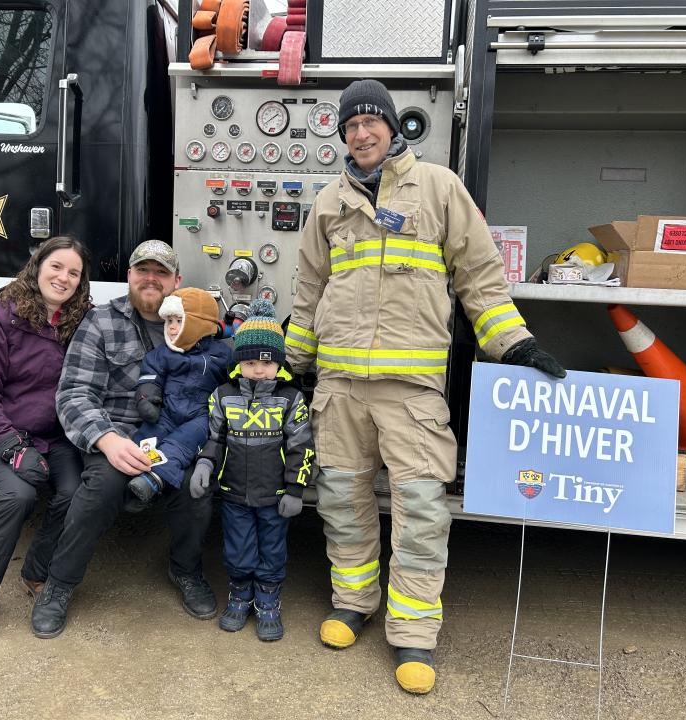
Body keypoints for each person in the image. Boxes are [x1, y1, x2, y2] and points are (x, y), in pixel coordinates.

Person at [284, 79, 566, 693]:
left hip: (410, 390)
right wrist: (294, 358)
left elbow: (480, 276)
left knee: (419, 511)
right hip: (338, 387)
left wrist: (512, 342)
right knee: (341, 501)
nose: (362, 133)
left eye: (371, 122)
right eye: (351, 125)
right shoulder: (329, 201)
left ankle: (413, 632)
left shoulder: (437, 187)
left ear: (392, 127)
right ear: (343, 134)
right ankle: (353, 601)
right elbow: (309, 289)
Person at [30, 240, 218, 639]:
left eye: (161, 272)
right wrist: (108, 440)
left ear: (176, 281)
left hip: (177, 438)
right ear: (129, 276)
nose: (151, 278)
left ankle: (185, 571)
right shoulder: (101, 321)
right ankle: (59, 585)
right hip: (116, 433)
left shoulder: (199, 325)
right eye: (142, 270)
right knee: (101, 486)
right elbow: (74, 392)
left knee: (195, 489)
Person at [0, 236, 91, 637]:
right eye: (56, 267)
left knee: (77, 491)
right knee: (18, 494)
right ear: (38, 266)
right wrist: (11, 446)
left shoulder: (79, 322)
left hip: (55, 436)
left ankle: (36, 573)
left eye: (74, 273)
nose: (63, 278)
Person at [190, 299, 314, 641]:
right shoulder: (222, 396)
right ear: (238, 362)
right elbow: (213, 438)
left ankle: (268, 600)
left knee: (272, 548)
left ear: (278, 362)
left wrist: (295, 490)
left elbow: (302, 447)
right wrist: (204, 463)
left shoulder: (291, 399)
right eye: (249, 362)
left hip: (275, 497)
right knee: (237, 548)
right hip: (233, 495)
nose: (258, 370)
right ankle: (240, 593)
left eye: (266, 362)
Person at [127, 287, 231, 502]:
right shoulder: (163, 353)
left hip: (201, 416)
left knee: (181, 443)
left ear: (198, 324)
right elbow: (150, 376)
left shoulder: (221, 354)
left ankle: (154, 481)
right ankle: (131, 483)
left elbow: (231, 382)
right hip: (167, 410)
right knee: (146, 438)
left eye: (178, 321)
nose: (172, 328)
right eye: (169, 322)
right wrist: (146, 398)